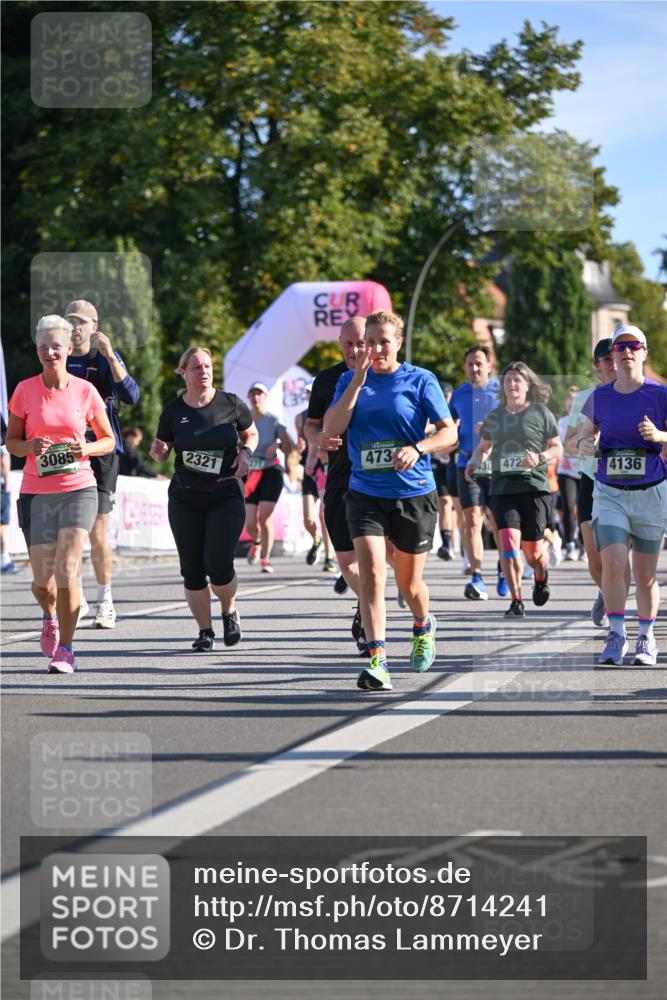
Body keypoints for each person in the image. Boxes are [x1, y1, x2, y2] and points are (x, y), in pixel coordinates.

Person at [324, 310, 457, 691]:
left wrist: (418, 447)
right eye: (371, 342)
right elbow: (333, 428)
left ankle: (422, 623)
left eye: (384, 341)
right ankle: (378, 660)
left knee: (409, 584)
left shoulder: (420, 380)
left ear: (398, 343)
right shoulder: (349, 380)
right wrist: (356, 384)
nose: (377, 349)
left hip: (412, 493)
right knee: (371, 576)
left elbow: (448, 435)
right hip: (365, 491)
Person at [5, 316, 115, 673]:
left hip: (78, 488)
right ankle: (50, 616)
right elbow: (12, 444)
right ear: (38, 351)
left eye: (56, 346)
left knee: (69, 567)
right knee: (43, 583)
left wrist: (85, 447)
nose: (50, 351)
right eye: (43, 346)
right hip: (37, 491)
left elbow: (108, 440)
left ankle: (66, 649)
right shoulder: (24, 390)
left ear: (69, 349)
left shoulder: (85, 391)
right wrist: (31, 444)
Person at [150, 347, 258, 651]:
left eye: (208, 366)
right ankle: (205, 631)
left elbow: (251, 434)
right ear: (184, 372)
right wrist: (157, 452)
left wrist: (247, 453)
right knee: (192, 569)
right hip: (185, 497)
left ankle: (229, 609)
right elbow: (162, 448)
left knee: (220, 565)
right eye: (196, 367)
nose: (204, 371)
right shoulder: (173, 411)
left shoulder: (231, 404)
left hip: (225, 493)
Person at [578, 325, 667, 666]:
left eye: (634, 346)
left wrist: (659, 435)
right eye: (620, 347)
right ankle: (616, 634)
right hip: (610, 492)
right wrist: (586, 442)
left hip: (650, 493)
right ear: (612, 355)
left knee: (645, 574)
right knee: (613, 563)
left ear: (644, 352)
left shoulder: (660, 394)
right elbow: (582, 436)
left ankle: (646, 637)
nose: (626, 352)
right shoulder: (599, 397)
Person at [64, 299, 140, 629]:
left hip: (102, 452)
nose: (75, 327)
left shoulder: (104, 358)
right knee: (69, 530)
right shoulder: (59, 356)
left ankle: (105, 599)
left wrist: (111, 355)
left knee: (97, 530)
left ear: (94, 327)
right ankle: (76, 598)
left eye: (81, 322)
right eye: (70, 321)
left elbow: (132, 396)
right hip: (67, 451)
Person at [465, 362, 562, 618]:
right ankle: (516, 599)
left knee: (534, 552)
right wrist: (474, 462)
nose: (512, 384)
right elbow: (484, 447)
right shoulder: (496, 417)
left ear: (528, 385)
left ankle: (540, 575)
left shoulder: (541, 413)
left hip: (534, 488)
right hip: (503, 488)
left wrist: (540, 457)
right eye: (507, 380)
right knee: (508, 543)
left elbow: (557, 448)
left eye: (517, 380)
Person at [306, 316, 368, 653]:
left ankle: (370, 614)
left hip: (378, 479)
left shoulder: (385, 377)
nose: (354, 350)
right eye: (348, 344)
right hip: (340, 476)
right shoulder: (327, 380)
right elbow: (311, 425)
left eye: (361, 344)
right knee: (347, 561)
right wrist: (318, 440)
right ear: (340, 344)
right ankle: (367, 602)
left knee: (375, 555)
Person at [564, 338, 628, 626]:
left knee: (618, 557)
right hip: (590, 477)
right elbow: (568, 443)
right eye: (604, 359)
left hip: (625, 481)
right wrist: (583, 444)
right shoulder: (585, 398)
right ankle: (605, 590)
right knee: (594, 558)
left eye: (614, 356)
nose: (611, 364)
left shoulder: (635, 393)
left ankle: (619, 616)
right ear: (596, 365)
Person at [449, 345, 508, 600]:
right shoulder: (459, 395)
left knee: (497, 521)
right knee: (471, 520)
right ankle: (477, 576)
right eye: (470, 363)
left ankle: (504, 570)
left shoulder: (501, 392)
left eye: (479, 363)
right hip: (466, 463)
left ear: (489, 366)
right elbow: (449, 427)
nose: (474, 368)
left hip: (496, 466)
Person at [243, 382, 294, 574]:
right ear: (249, 398)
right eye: (253, 394)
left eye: (260, 394)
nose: (256, 398)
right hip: (250, 473)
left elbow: (289, 446)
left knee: (264, 518)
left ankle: (265, 558)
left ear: (265, 397)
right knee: (249, 522)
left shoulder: (274, 420)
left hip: (271, 472)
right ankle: (256, 542)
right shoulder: (243, 419)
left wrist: (279, 445)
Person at [294, 394, 335, 572]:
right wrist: (300, 446)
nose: (312, 396)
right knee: (308, 518)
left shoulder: (331, 413)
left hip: (325, 468)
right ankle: (316, 539)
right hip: (309, 470)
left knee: (324, 515)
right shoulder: (300, 417)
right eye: (309, 393)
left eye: (314, 392)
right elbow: (300, 442)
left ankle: (329, 557)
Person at [557, 386, 581, 560]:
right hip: (566, 470)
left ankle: (585, 545)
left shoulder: (588, 421)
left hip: (585, 470)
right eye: (570, 402)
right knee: (568, 506)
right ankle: (570, 544)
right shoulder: (562, 422)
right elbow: (560, 445)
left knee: (583, 509)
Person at [1, 444, 22, 574]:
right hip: (1, 484)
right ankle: (4, 560)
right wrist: (7, 482)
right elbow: (3, 460)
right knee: (3, 524)